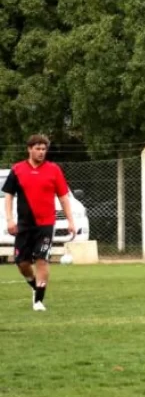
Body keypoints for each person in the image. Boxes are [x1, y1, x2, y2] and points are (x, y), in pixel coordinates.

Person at [2, 134, 76, 312]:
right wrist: (10, 219)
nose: (41, 152)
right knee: (22, 263)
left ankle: (39, 300)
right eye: (38, 149)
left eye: (44, 149)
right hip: (24, 225)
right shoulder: (18, 169)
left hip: (46, 224)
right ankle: (35, 285)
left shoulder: (54, 170)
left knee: (42, 260)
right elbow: (9, 196)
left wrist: (70, 220)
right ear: (29, 149)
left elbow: (64, 197)